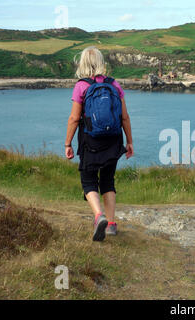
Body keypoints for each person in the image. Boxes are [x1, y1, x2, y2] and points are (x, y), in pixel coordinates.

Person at [64, 46, 134, 241]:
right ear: (102, 63)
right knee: (108, 180)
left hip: (90, 140)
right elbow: (125, 117)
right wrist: (129, 142)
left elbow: (74, 118)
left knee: (88, 180)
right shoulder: (114, 84)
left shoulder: (81, 86)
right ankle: (111, 224)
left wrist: (67, 143)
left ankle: (98, 216)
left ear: (82, 64)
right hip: (113, 139)